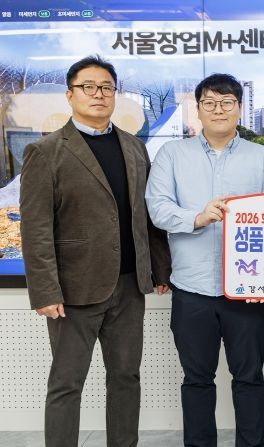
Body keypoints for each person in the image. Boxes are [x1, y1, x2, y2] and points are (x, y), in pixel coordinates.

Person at [19, 55, 171, 447]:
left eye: (106, 87)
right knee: (66, 383)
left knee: (126, 378)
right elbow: (36, 228)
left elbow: (147, 214)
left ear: (115, 94)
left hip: (129, 287)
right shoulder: (46, 151)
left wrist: (159, 269)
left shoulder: (134, 148)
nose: (98, 94)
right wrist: (45, 290)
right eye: (88, 86)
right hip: (73, 290)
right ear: (70, 95)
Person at [145, 73, 264, 447]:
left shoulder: (263, 157)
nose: (218, 109)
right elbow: (157, 208)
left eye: (226, 102)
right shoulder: (172, 155)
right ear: (198, 109)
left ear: (239, 108)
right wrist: (197, 217)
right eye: (209, 102)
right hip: (191, 290)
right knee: (196, 380)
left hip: (247, 291)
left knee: (249, 378)